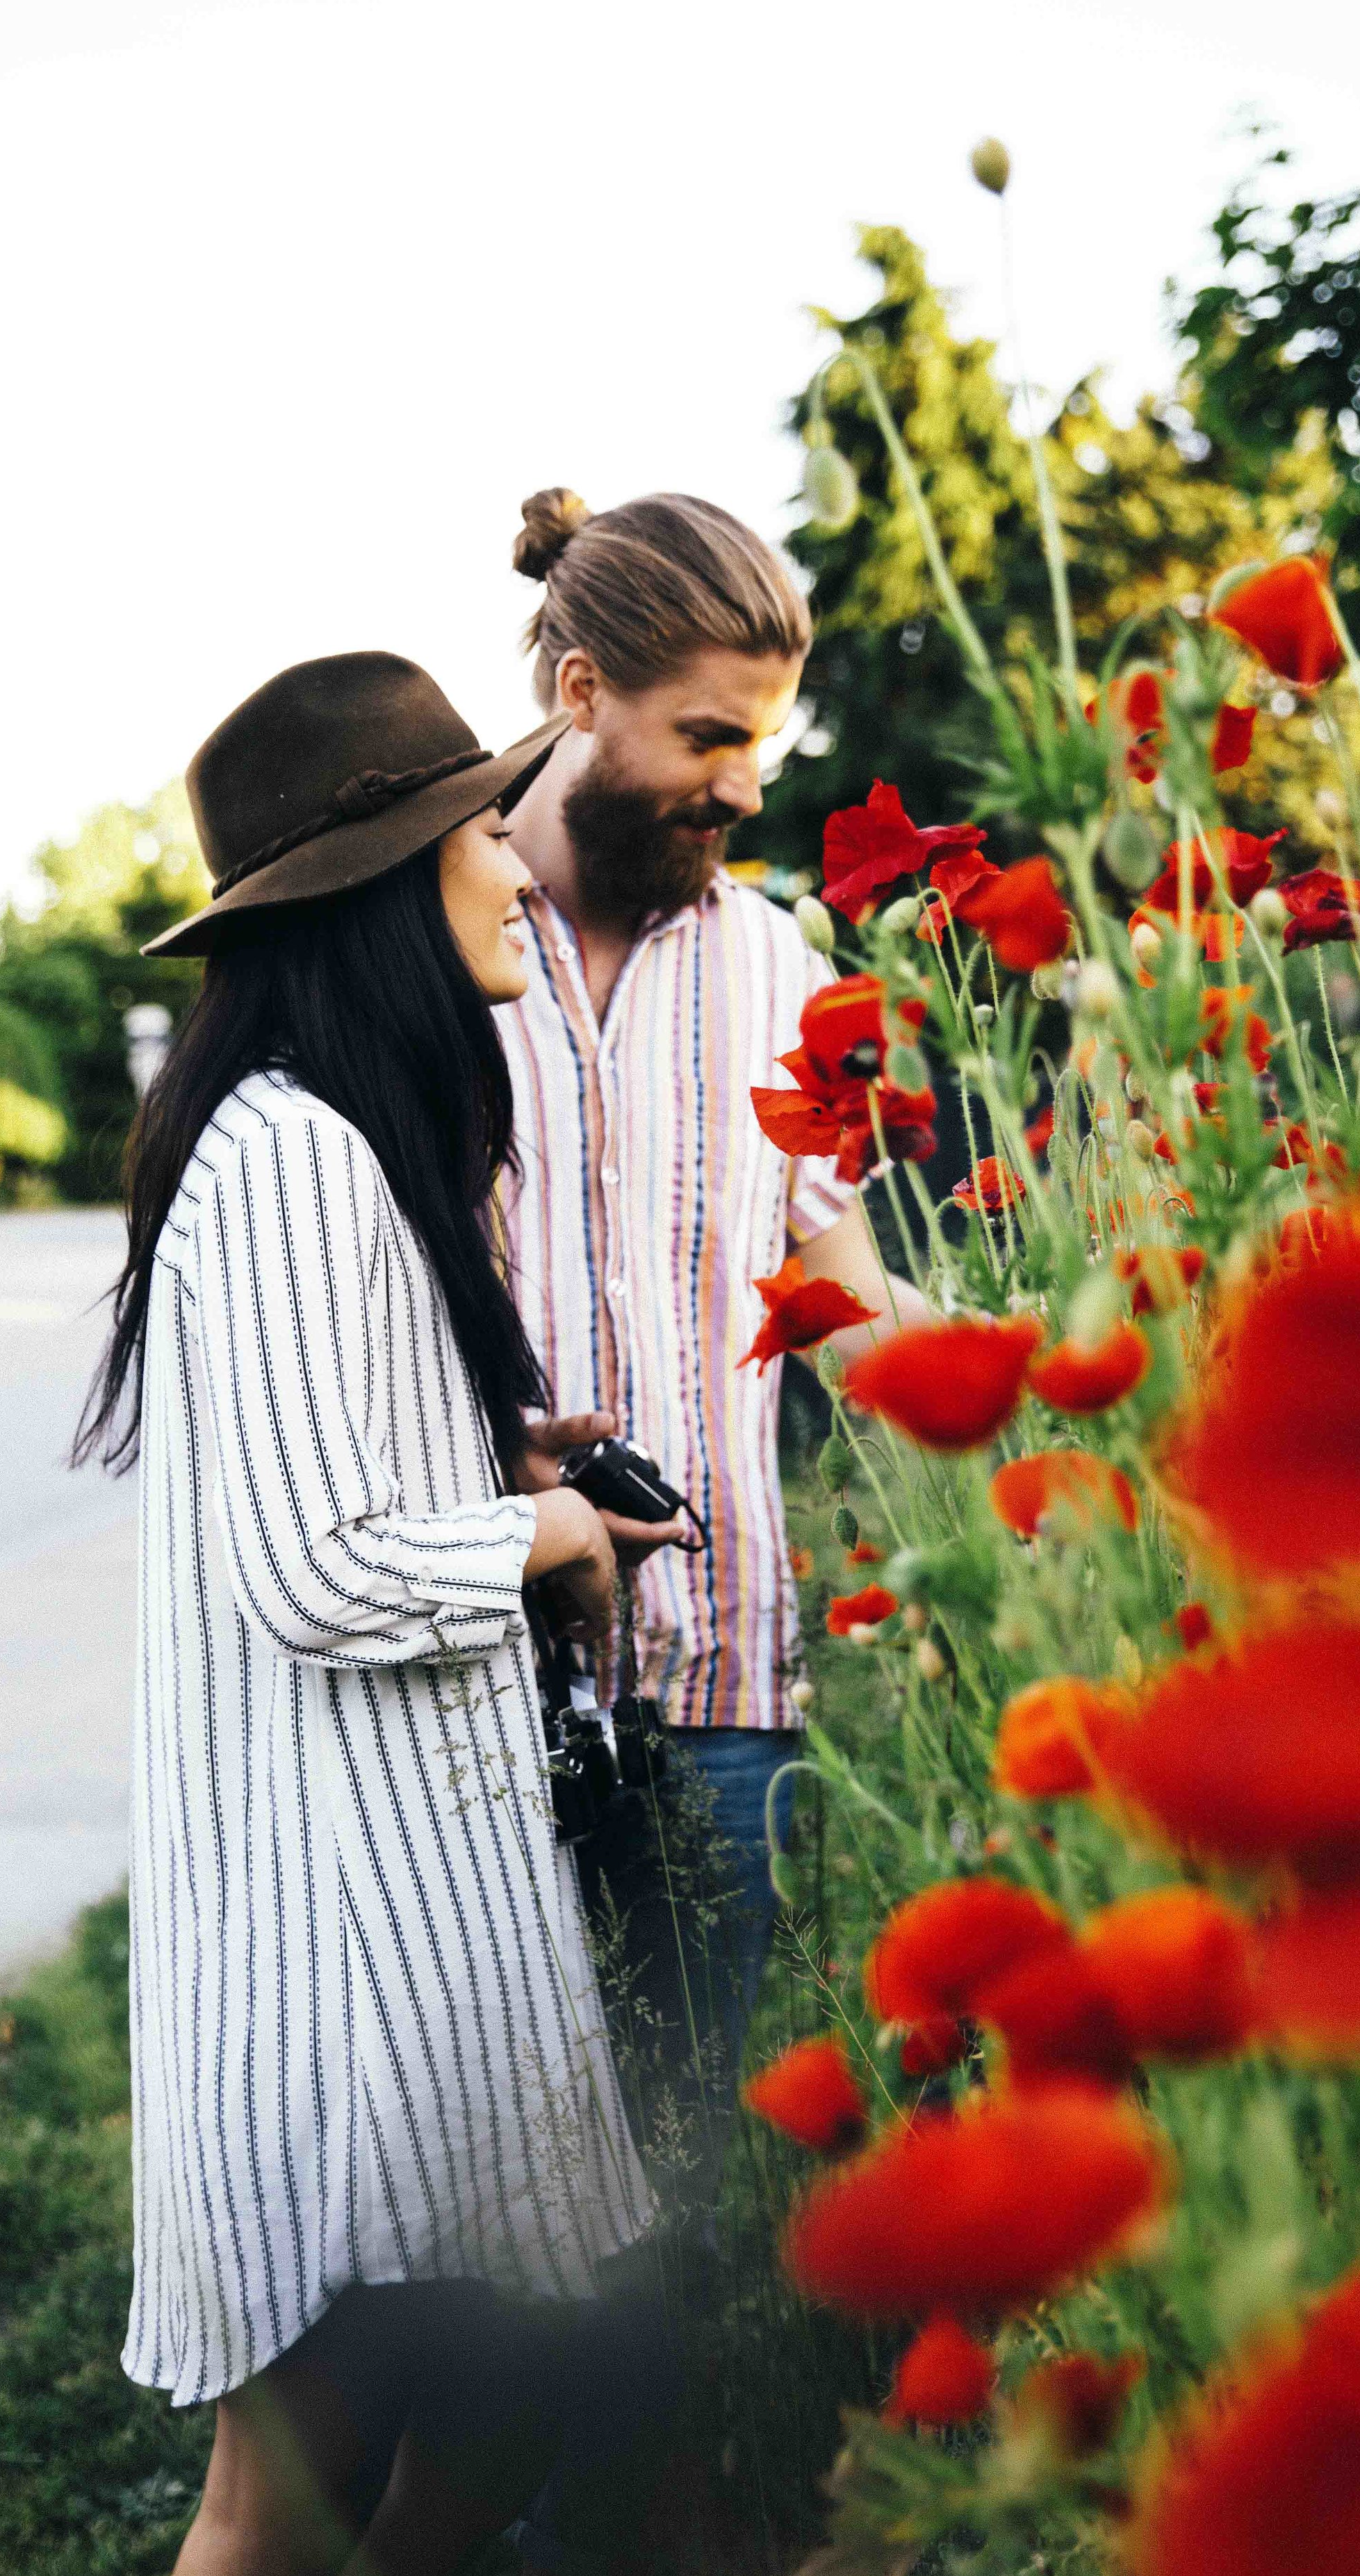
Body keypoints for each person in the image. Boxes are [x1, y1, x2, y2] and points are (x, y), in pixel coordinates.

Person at [78, 650, 689, 2576]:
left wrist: (498, 1453)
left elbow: (332, 1470)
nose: (517, 865)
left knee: (499, 2411)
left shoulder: (338, 1137)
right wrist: (543, 1540)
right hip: (334, 1975)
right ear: (378, 884)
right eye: (476, 832)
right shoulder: (279, 1157)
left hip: (420, 1941)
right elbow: (309, 1563)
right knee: (286, 2497)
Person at [498, 489, 926, 2201]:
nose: (750, 785)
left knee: (670, 2175)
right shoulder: (422, 954)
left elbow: (844, 1283)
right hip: (479, 1678)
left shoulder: (771, 961)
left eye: (765, 739)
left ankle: (633, 2478)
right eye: (709, 737)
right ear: (579, 689)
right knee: (493, 2197)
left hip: (722, 1676)